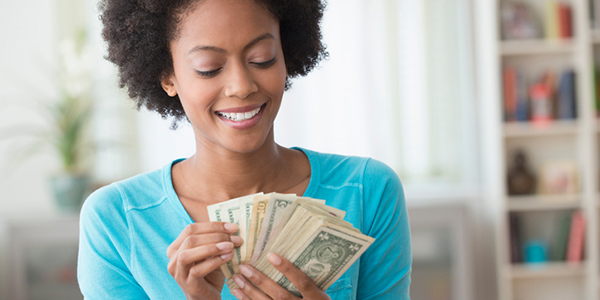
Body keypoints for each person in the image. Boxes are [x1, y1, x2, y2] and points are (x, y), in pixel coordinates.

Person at [77, 0, 412, 299]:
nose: (241, 86)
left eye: (262, 59)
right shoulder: (115, 220)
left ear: (286, 56)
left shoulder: (367, 191)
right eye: (209, 67)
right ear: (168, 76)